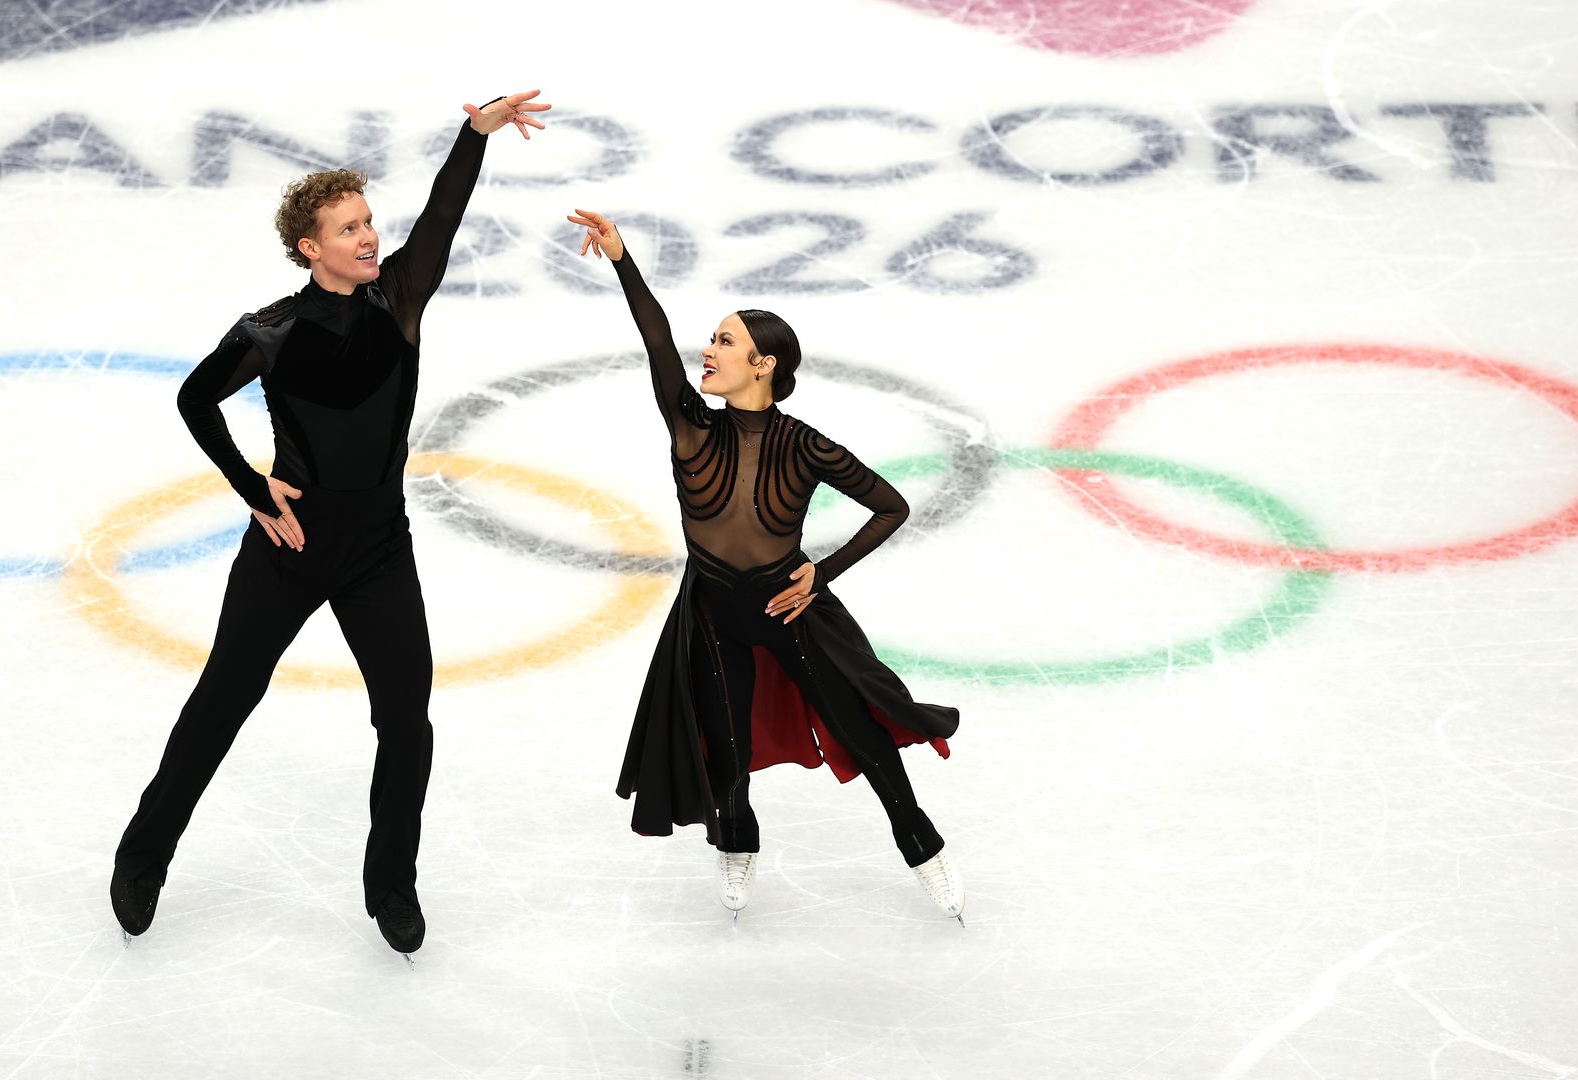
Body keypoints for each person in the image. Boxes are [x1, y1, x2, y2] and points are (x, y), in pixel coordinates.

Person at [109, 91, 551, 960]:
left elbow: (444, 214)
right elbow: (195, 399)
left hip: (380, 548)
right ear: (311, 248)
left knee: (406, 718)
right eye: (348, 229)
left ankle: (391, 886)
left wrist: (475, 133)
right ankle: (143, 855)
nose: (368, 237)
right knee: (223, 701)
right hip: (292, 550)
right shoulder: (271, 332)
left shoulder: (400, 301)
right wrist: (251, 489)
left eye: (367, 222)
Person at [566, 210, 965, 921]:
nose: (708, 351)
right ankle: (737, 844)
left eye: (726, 341)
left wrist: (824, 572)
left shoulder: (806, 445)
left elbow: (891, 505)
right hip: (714, 610)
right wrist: (624, 260)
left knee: (864, 735)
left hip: (792, 607)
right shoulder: (691, 425)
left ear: (764, 364)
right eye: (713, 338)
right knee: (725, 745)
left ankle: (923, 846)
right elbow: (654, 338)